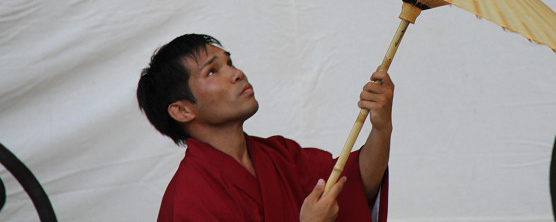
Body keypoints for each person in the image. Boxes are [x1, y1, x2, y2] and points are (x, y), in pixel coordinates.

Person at [136, 34, 392, 221]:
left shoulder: (280, 156)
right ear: (182, 111)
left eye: (229, 62)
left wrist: (381, 128)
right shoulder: (189, 200)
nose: (237, 73)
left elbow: (354, 187)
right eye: (212, 71)